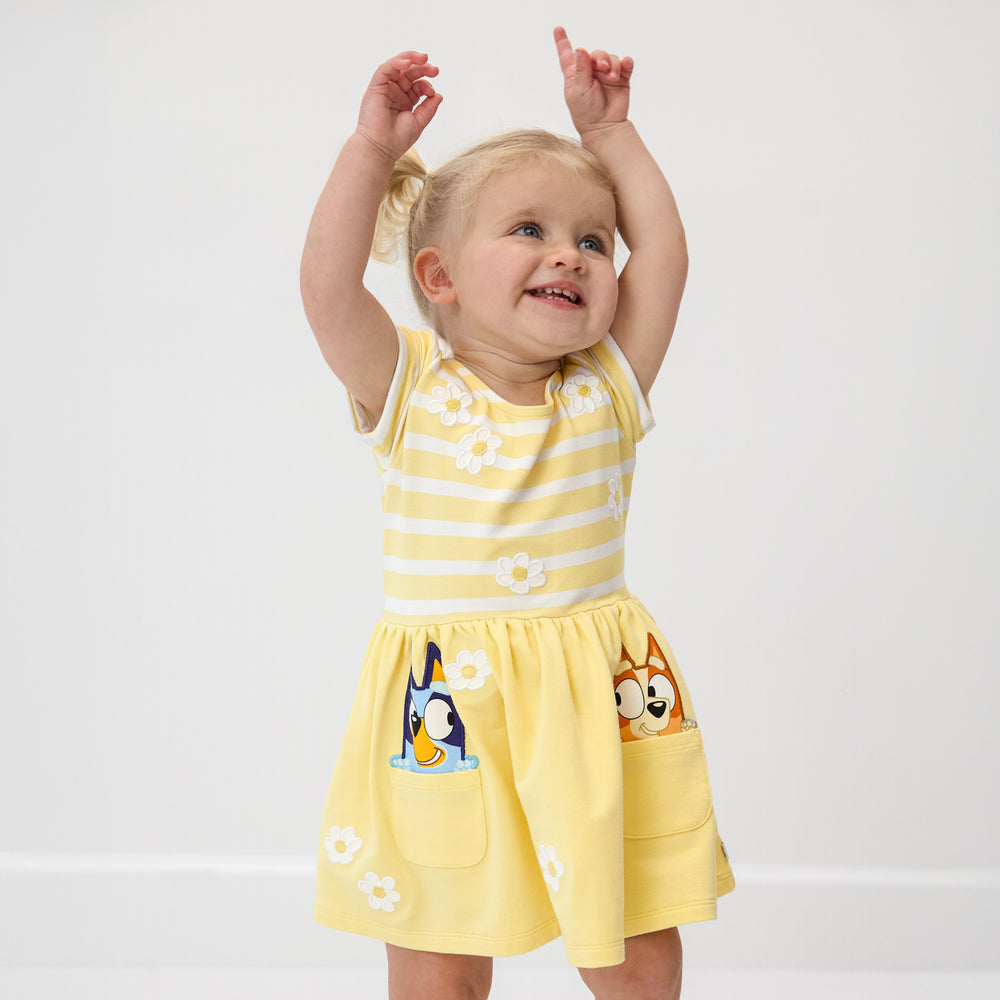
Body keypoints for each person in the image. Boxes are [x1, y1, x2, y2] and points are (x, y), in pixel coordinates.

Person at [300, 26, 734, 1000]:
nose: (570, 256)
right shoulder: (411, 386)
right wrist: (369, 152)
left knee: (633, 940)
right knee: (438, 942)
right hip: (447, 712)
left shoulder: (607, 384)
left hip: (593, 702)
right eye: (530, 230)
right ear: (440, 278)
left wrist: (611, 135)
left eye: (592, 240)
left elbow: (665, 252)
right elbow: (327, 289)